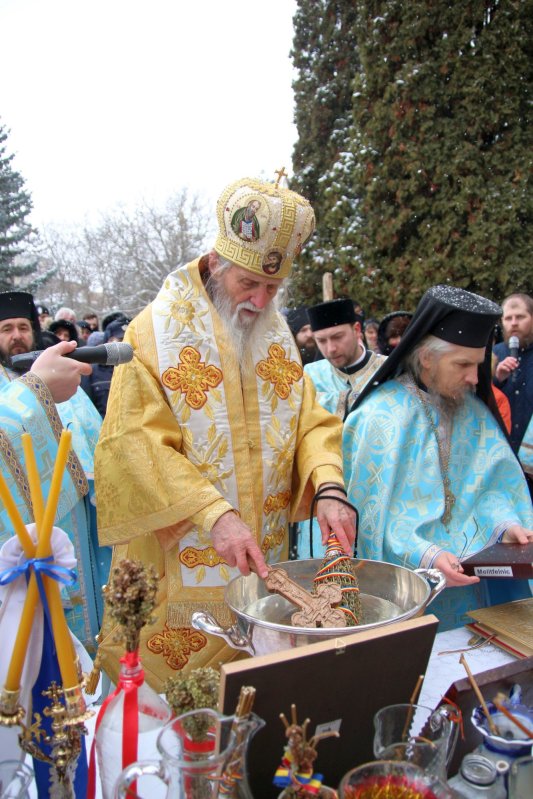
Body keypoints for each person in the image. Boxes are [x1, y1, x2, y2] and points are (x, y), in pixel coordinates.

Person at [95, 176, 356, 691]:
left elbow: (310, 422)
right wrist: (215, 513)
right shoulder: (153, 332)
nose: (260, 302)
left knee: (255, 710)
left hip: (265, 564)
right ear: (217, 264)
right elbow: (135, 442)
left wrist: (328, 487)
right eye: (249, 284)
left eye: (274, 289)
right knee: (178, 727)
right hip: (182, 571)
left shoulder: (276, 335)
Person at [343, 285, 533, 632]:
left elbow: (492, 488)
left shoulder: (473, 410)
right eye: (463, 364)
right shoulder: (380, 418)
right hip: (414, 592)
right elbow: (369, 521)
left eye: (478, 365)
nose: (475, 378)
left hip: (480, 590)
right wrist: (424, 553)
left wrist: (506, 524)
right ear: (428, 357)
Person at [0, 291, 109, 652]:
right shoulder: (36, 382)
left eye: (22, 327)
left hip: (77, 518)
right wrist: (37, 392)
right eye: (6, 329)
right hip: (24, 539)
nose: (17, 336)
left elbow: (91, 435)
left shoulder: (57, 373)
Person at [304, 299, 386, 419]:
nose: (331, 348)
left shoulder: (388, 369)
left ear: (357, 330)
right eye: (321, 341)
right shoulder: (311, 375)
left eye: (338, 337)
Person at [493, 293, 533, 457]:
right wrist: (497, 379)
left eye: (520, 317)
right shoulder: (493, 354)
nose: (514, 323)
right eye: (508, 318)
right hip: (502, 451)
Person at [82, 318, 127, 417]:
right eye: (121, 340)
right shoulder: (91, 371)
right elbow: (86, 410)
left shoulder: (141, 370)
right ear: (109, 341)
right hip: (104, 429)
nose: (127, 345)